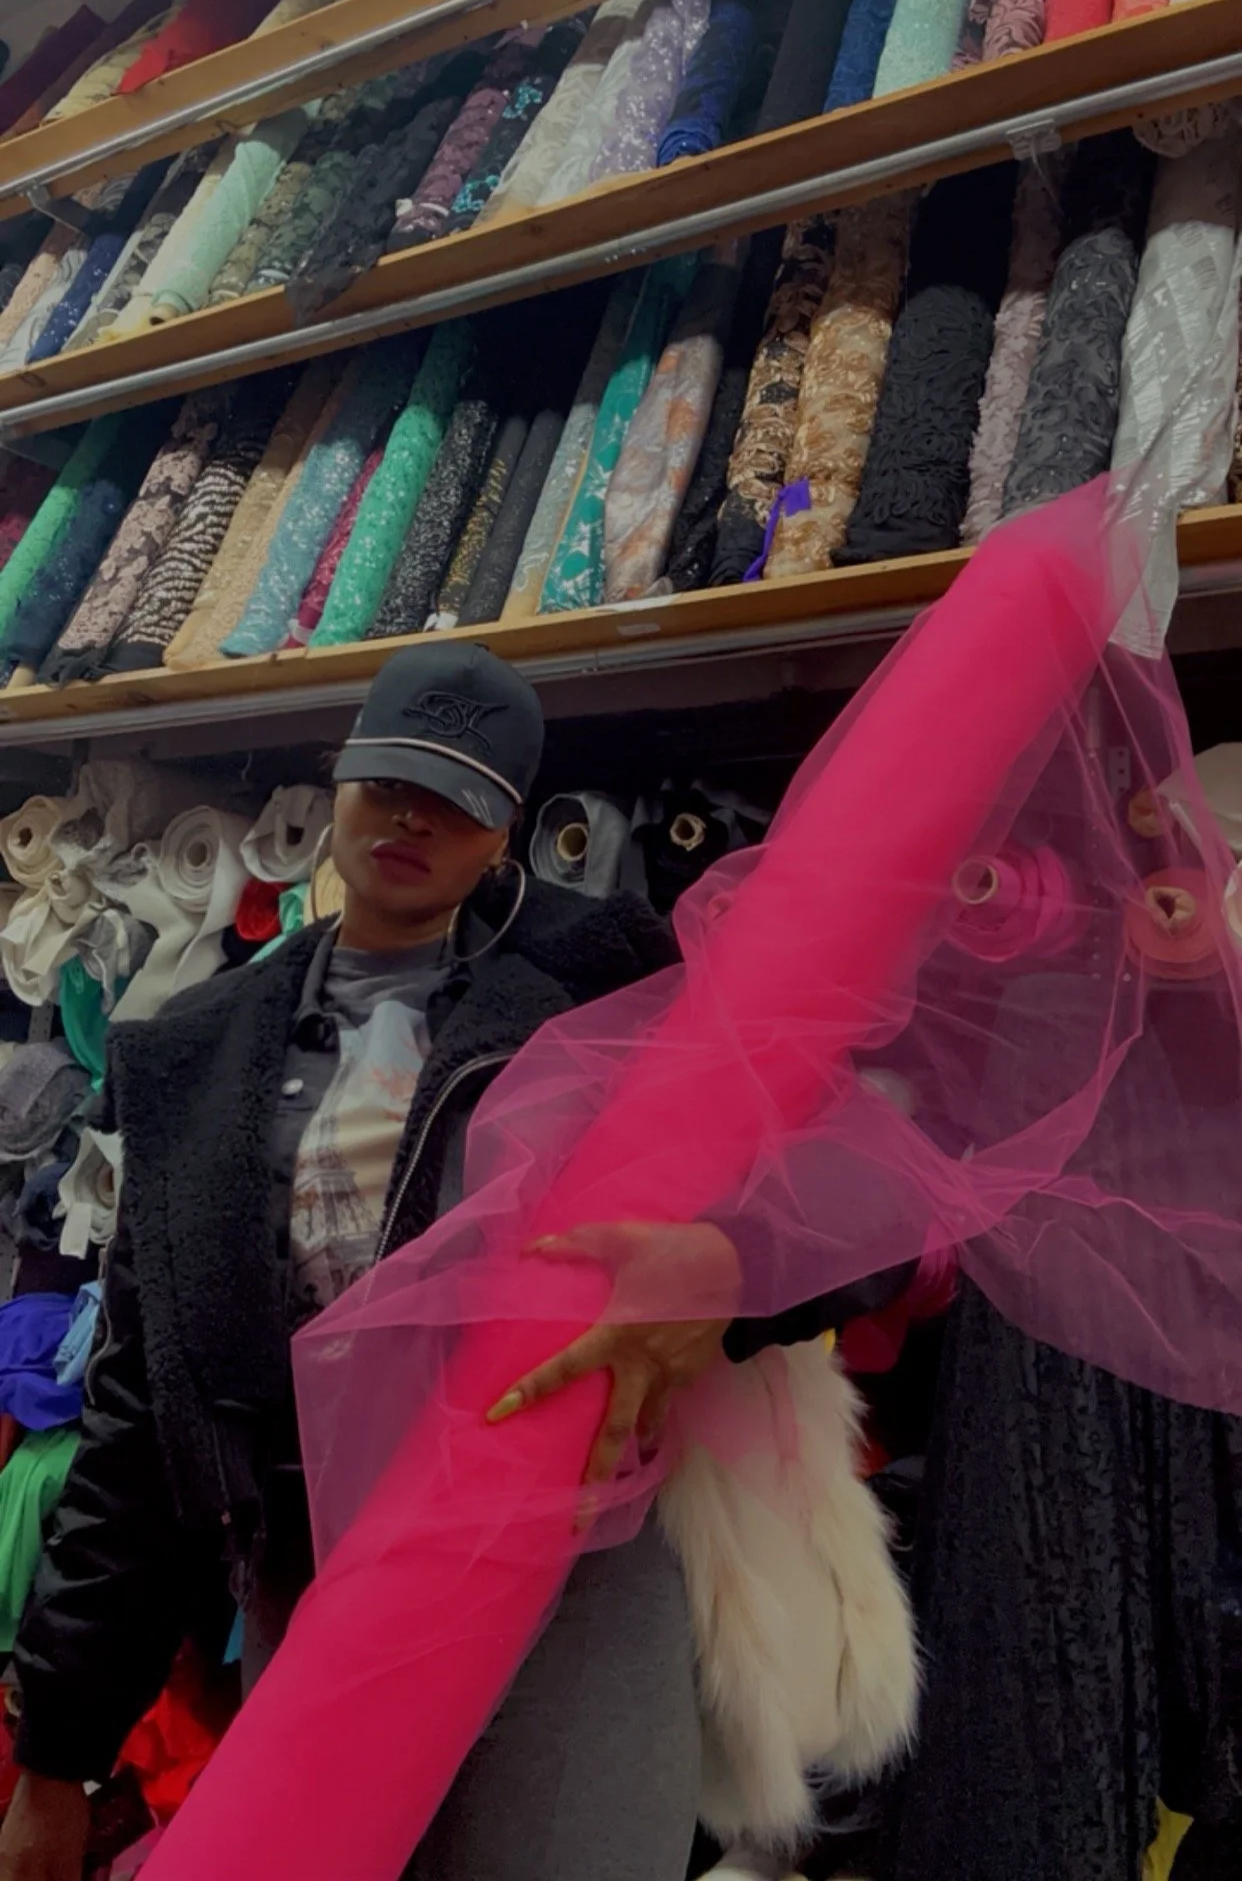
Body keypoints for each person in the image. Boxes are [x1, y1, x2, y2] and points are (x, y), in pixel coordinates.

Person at [0, 645, 913, 1881]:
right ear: (338, 783)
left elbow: (868, 1184)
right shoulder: (191, 1055)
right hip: (313, 1575)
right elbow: (138, 1421)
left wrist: (724, 1265)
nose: (414, 818)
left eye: (461, 797)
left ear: (509, 832)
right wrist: (57, 1755)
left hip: (564, 1578)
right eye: (389, 782)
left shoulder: (608, 987)